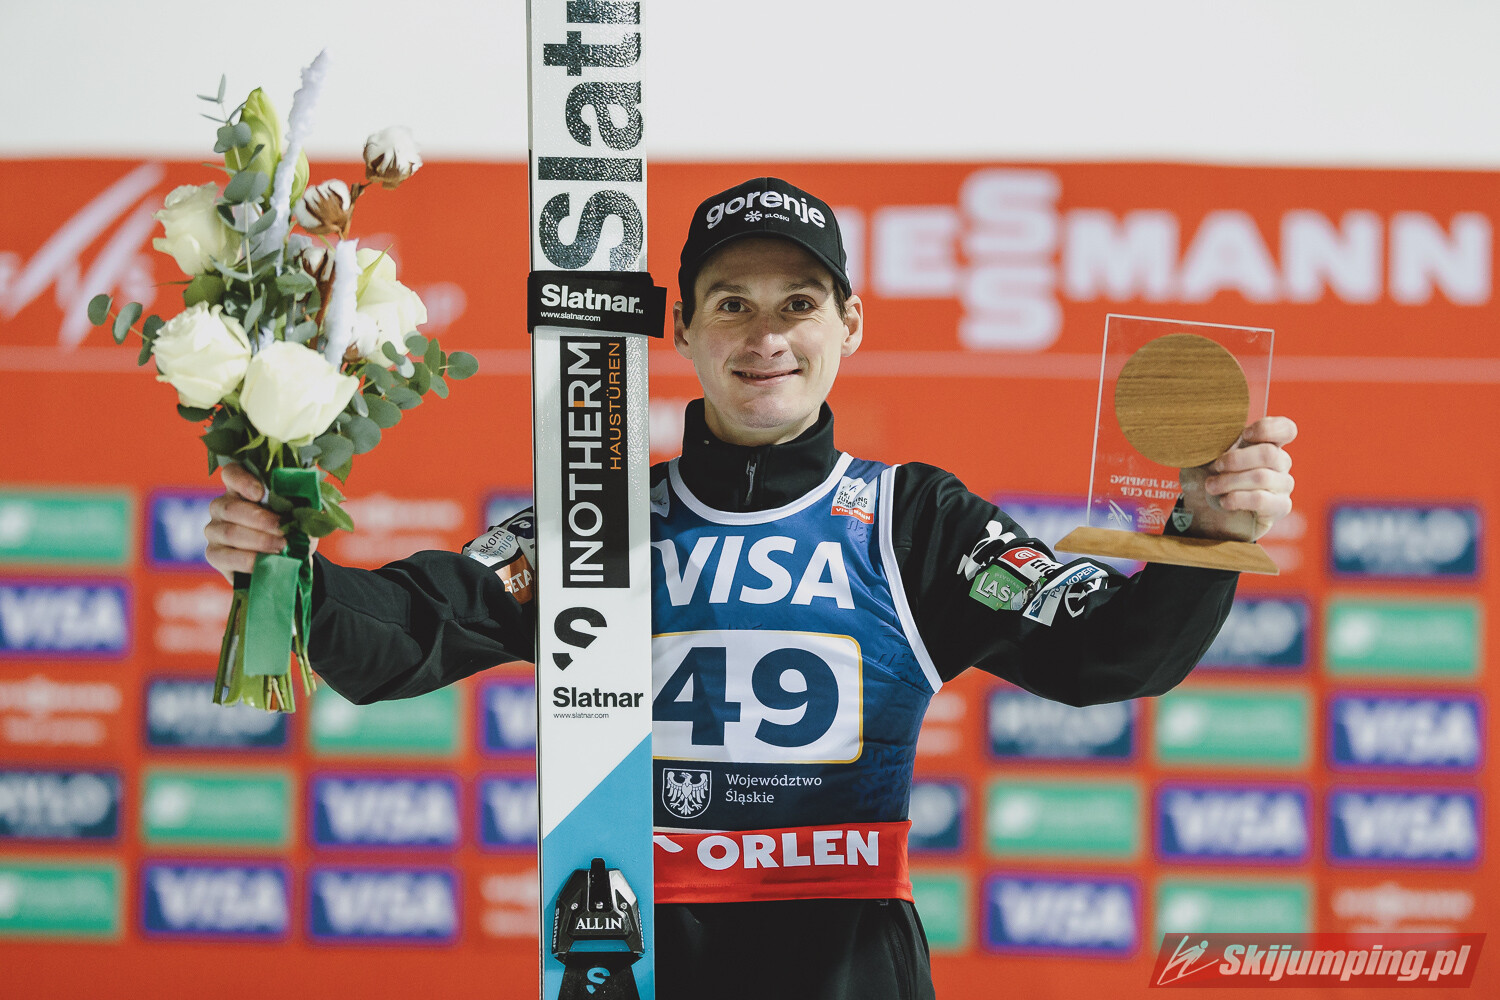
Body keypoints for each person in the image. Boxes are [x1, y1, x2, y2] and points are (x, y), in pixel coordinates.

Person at [206, 177, 1297, 1000]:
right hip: (635, 960)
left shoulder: (915, 518)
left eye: (799, 303)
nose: (766, 336)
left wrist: (1204, 532)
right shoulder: (600, 515)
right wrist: (285, 576)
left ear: (849, 325)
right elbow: (407, 633)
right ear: (680, 328)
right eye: (731, 303)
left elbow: (1106, 651)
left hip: (849, 970)